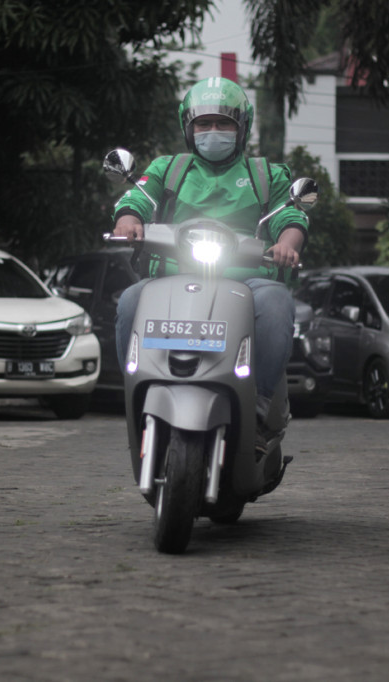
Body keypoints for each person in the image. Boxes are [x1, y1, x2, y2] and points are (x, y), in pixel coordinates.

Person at [111, 76, 309, 450]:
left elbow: (291, 220)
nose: (212, 131)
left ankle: (261, 407)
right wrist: (129, 221)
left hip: (246, 283)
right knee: (130, 300)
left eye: (224, 124)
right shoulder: (168, 169)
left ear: (242, 128)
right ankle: (137, 394)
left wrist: (287, 243)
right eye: (203, 124)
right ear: (189, 127)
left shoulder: (266, 176)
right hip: (173, 280)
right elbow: (136, 199)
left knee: (276, 301)